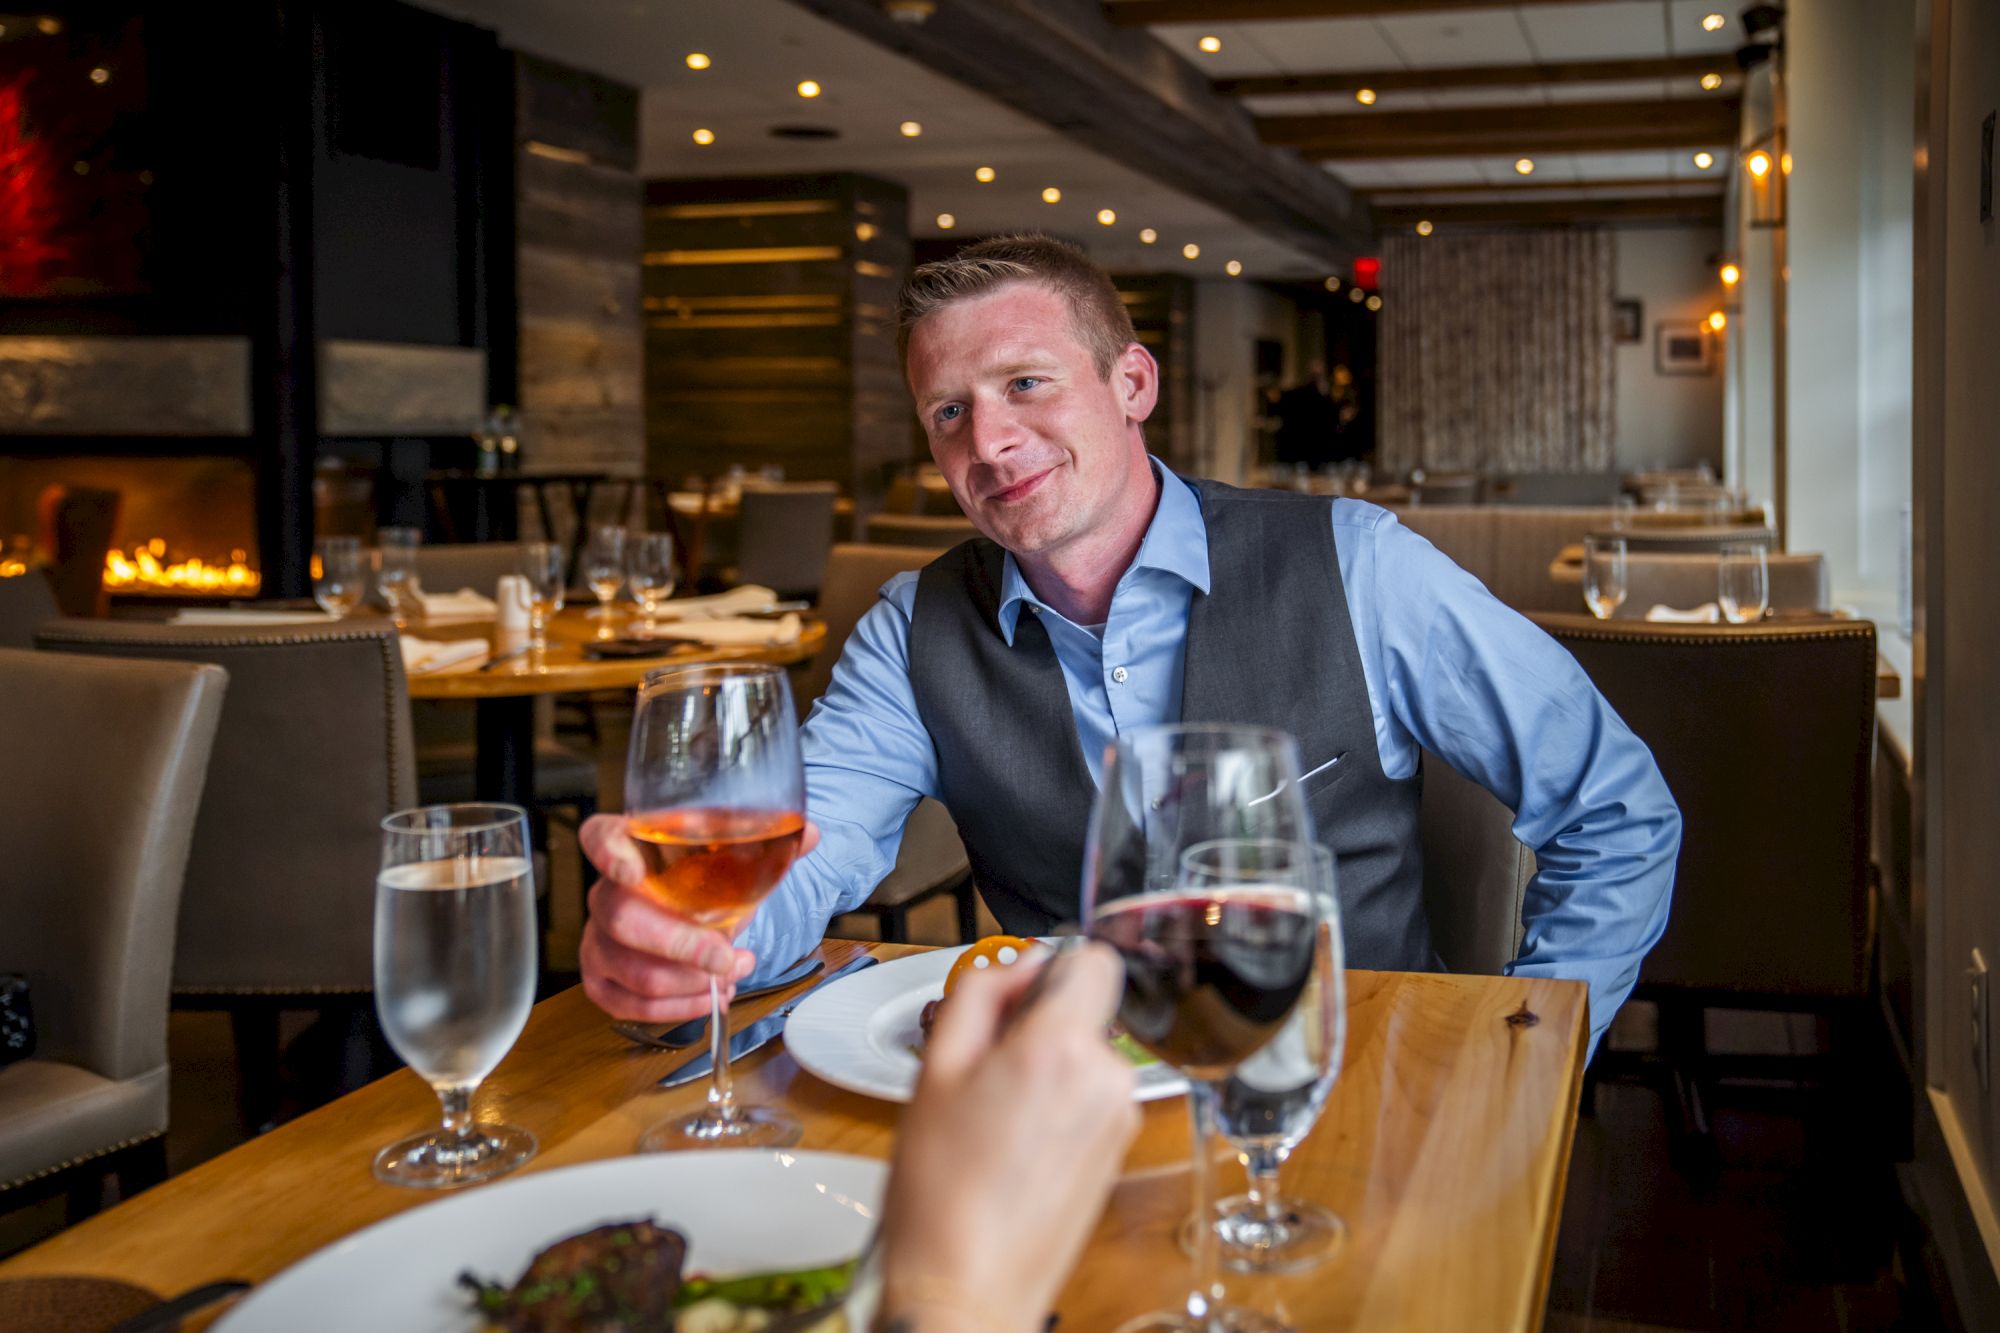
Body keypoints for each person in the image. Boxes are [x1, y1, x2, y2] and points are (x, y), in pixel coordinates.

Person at [578, 233, 1679, 1056]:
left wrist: (1529, 1051)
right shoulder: (911, 631)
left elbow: (1615, 808)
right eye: (948, 413)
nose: (991, 439)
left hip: (1349, 1083)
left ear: (1131, 383)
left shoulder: (1358, 563)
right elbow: (800, 854)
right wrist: (689, 946)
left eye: (1024, 384)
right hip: (1052, 1109)